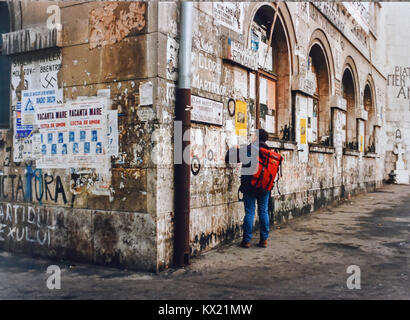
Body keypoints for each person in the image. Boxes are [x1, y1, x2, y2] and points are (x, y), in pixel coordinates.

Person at [225, 129, 272, 248]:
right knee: (263, 211)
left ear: (256, 137)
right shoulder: (269, 151)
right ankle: (264, 240)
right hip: (264, 187)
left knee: (250, 212)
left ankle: (246, 240)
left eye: (253, 135)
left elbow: (230, 159)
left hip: (250, 186)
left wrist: (233, 149)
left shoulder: (248, 149)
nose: (252, 137)